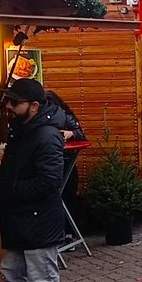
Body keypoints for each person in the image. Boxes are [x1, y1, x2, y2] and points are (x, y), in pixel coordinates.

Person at [0, 79, 66, 282]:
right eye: (8, 101)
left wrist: (10, 188)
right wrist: (1, 174)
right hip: (18, 218)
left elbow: (49, 181)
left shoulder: (46, 136)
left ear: (34, 106)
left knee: (44, 278)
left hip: (38, 219)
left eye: (14, 102)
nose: (9, 107)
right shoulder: (21, 129)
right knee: (12, 274)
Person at [45, 91, 86, 251]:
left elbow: (82, 135)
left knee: (67, 198)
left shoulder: (65, 117)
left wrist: (72, 133)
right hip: (52, 165)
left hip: (66, 164)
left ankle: (68, 235)